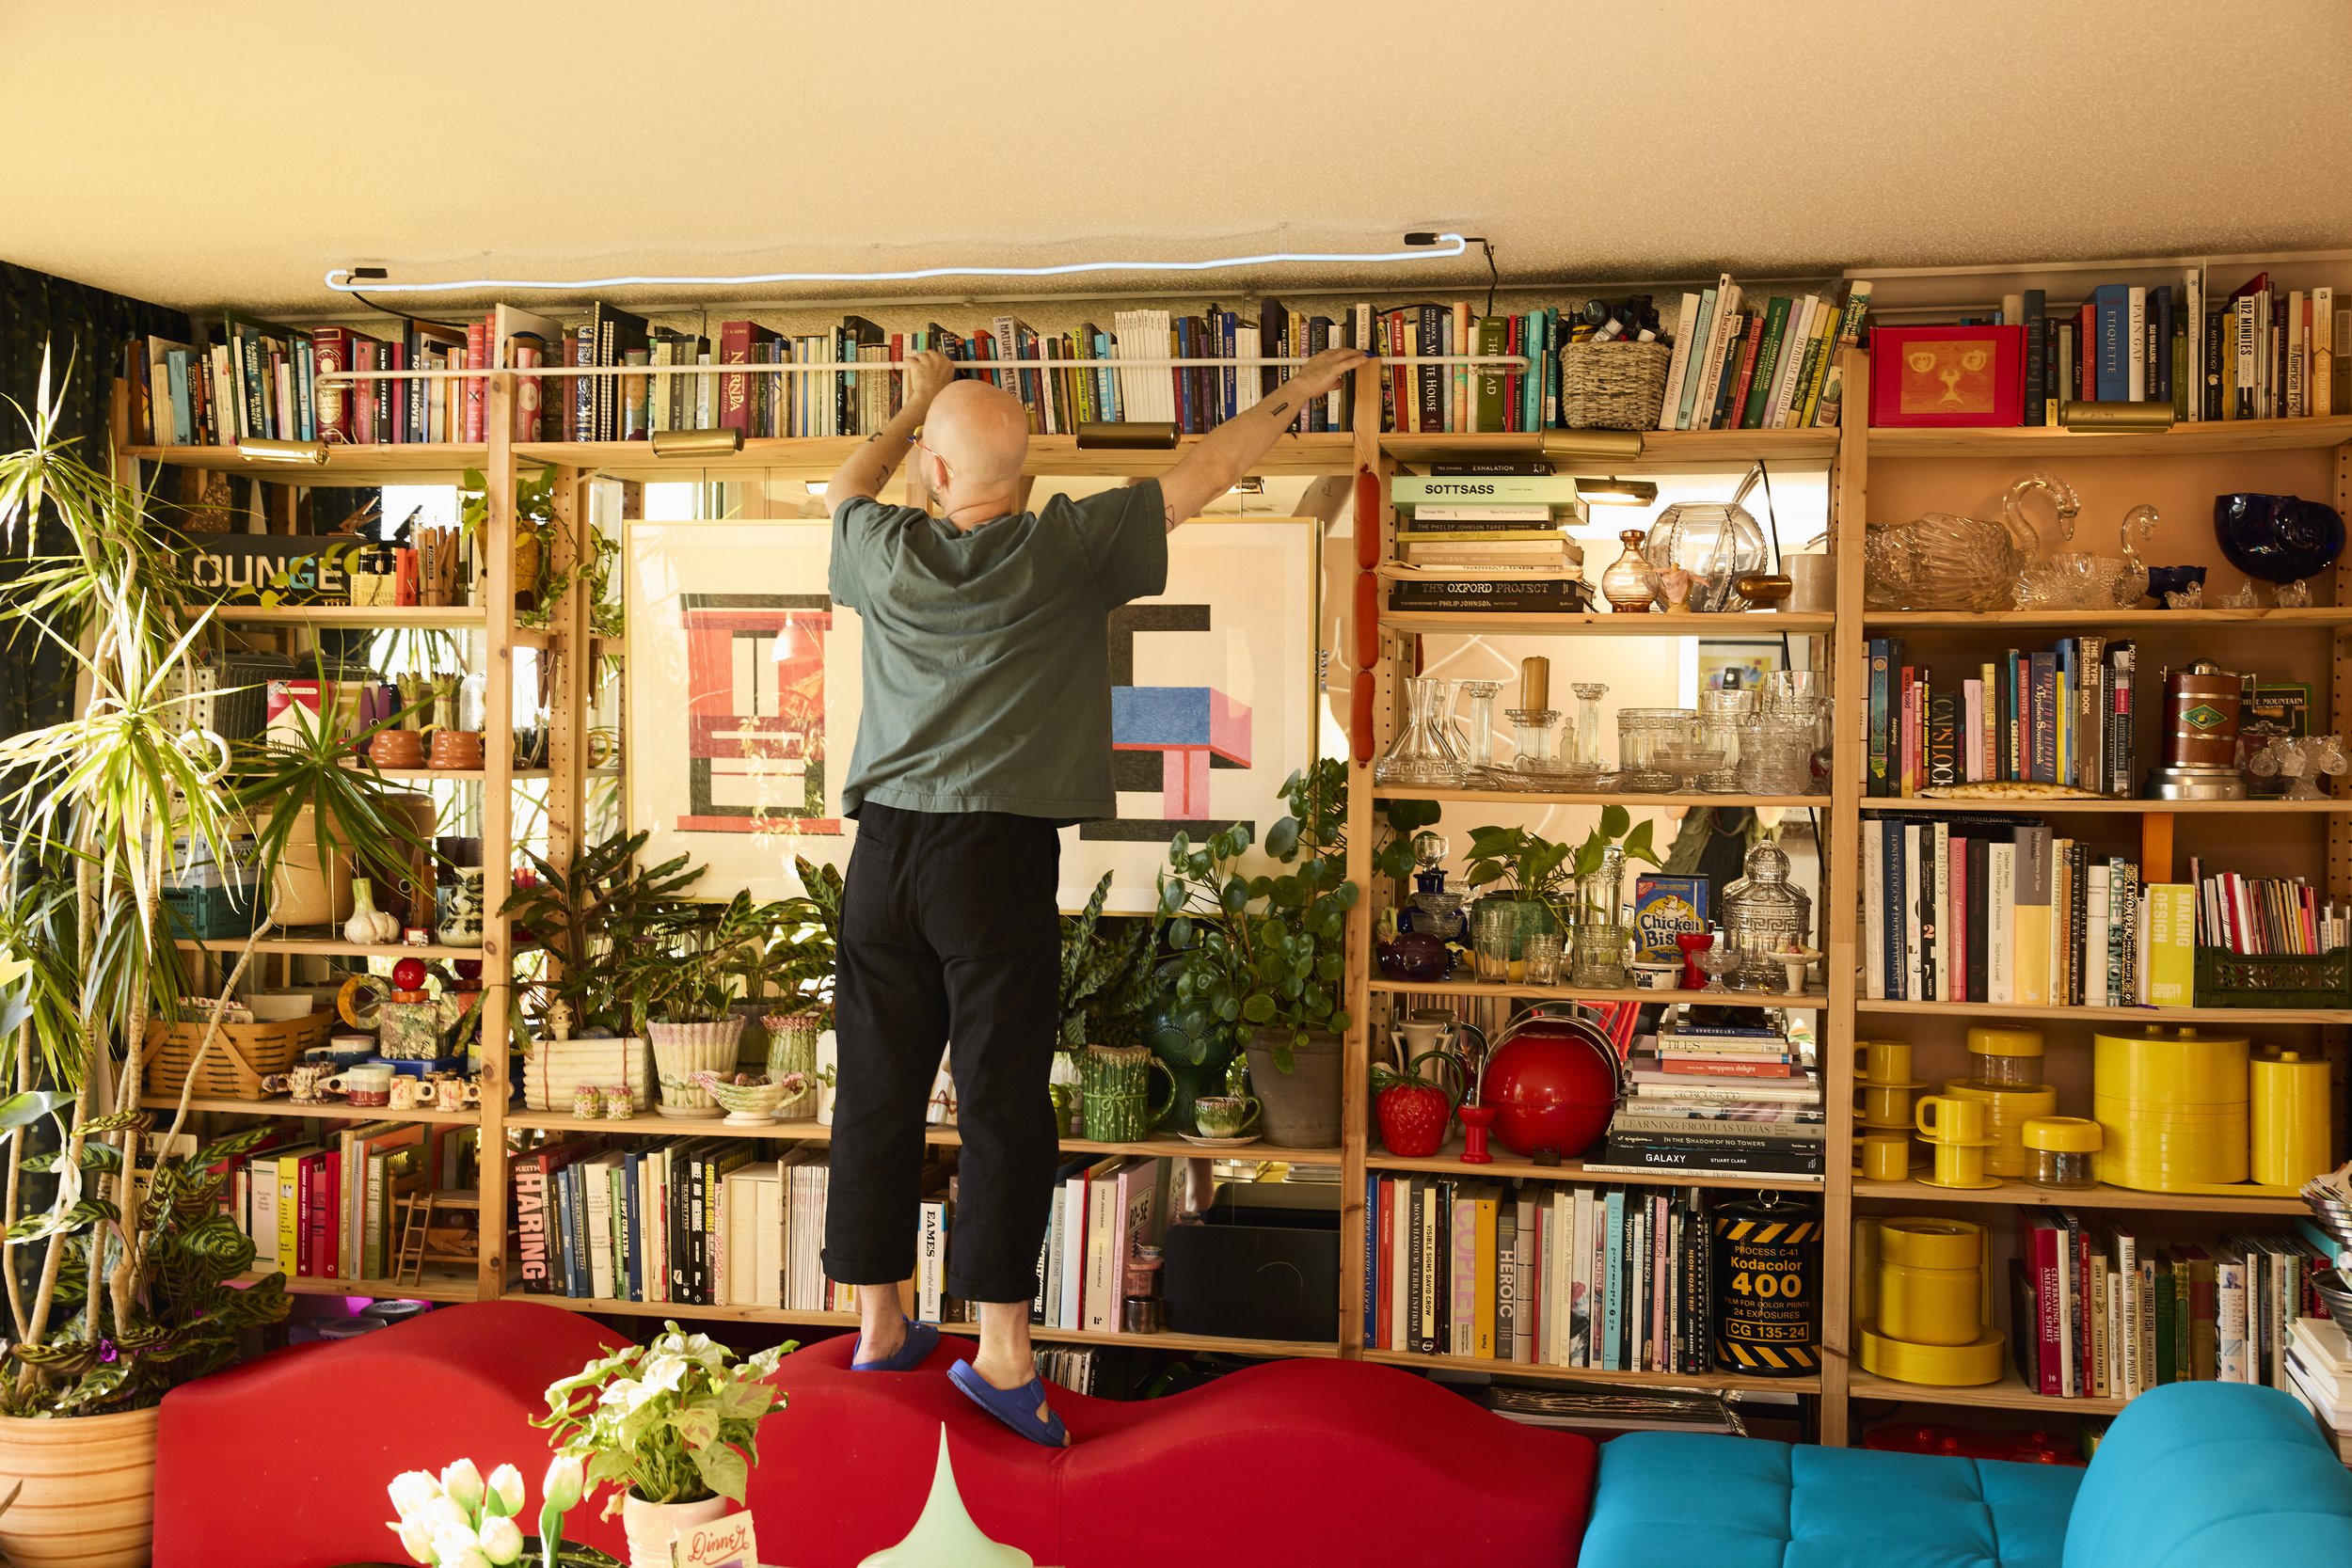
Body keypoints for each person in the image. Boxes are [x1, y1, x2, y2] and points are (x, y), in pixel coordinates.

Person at [818, 341, 1370, 1445]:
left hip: (883, 853)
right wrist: (1295, 393)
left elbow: (844, 484)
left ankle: (880, 1324)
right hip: (994, 857)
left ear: (932, 470)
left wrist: (915, 405)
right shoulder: (1065, 547)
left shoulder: (881, 547)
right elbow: (1207, 470)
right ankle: (1001, 1353)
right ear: (1025, 477)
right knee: (1001, 1100)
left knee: (875, 1090)